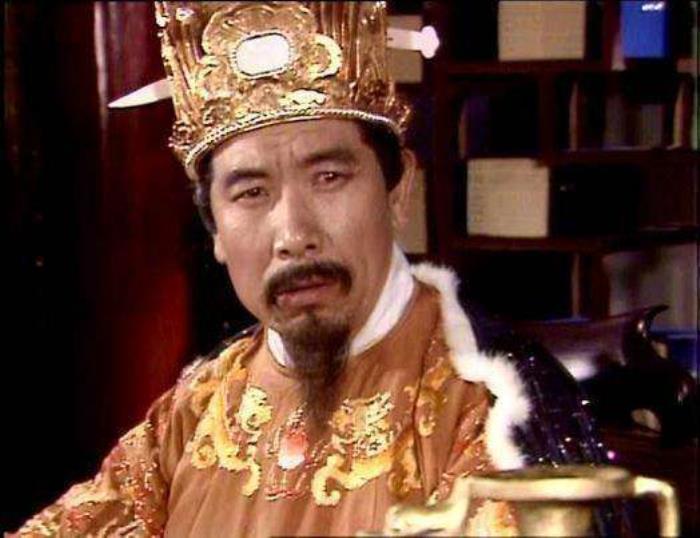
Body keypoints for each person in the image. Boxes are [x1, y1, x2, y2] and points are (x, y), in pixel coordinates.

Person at [16, 2, 612, 536]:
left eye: (329, 177)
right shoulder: (196, 408)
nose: (293, 235)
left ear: (398, 191)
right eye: (251, 193)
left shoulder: (496, 404)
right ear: (215, 231)